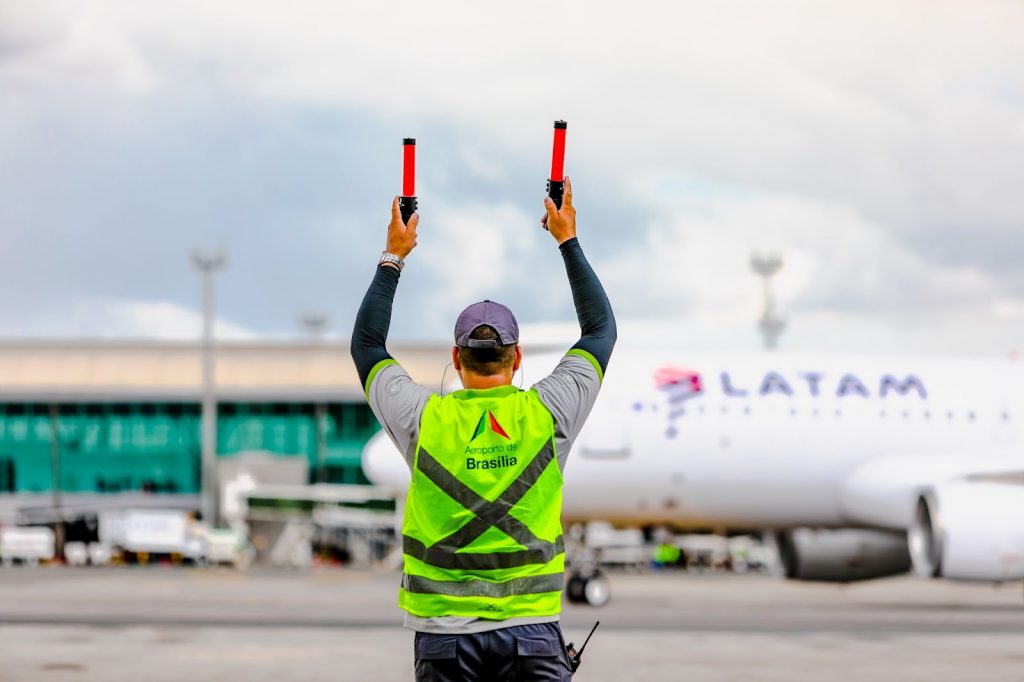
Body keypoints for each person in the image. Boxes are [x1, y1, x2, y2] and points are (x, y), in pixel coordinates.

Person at [351, 177, 616, 681]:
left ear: (455, 357)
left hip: (443, 636)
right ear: (517, 359)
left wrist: (394, 255)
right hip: (532, 632)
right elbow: (600, 330)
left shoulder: (423, 418)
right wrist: (567, 239)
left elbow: (367, 345)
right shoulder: (548, 412)